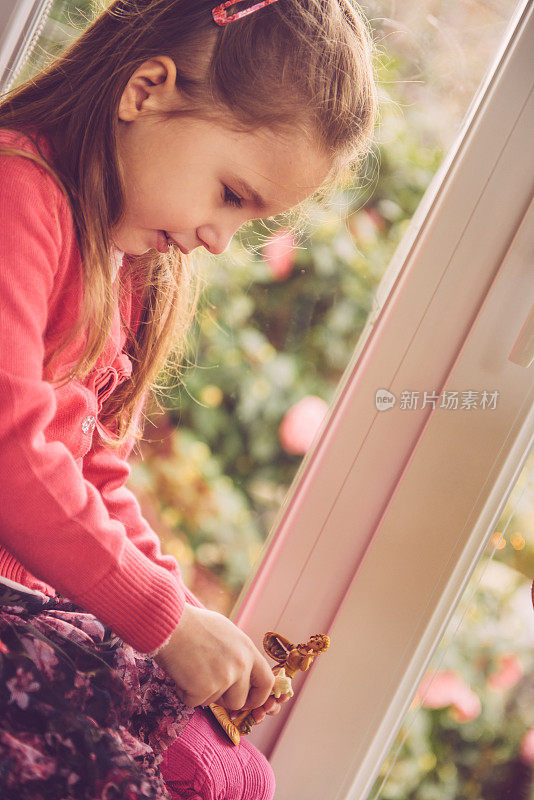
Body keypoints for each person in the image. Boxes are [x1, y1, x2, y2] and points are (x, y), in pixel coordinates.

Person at [0, 0, 379, 796]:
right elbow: (10, 449)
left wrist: (182, 612)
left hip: (26, 600)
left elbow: (96, 475)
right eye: (232, 194)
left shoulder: (124, 267)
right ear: (145, 90)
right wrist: (163, 620)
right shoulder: (15, 193)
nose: (219, 237)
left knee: (235, 773)